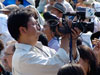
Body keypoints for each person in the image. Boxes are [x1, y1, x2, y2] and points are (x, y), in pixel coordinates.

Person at [7, 8, 80, 75]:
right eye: (34, 24)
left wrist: (72, 42)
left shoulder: (40, 48)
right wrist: (66, 36)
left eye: (37, 23)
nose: (39, 27)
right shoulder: (22, 57)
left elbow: (69, 62)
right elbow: (59, 67)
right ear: (23, 30)